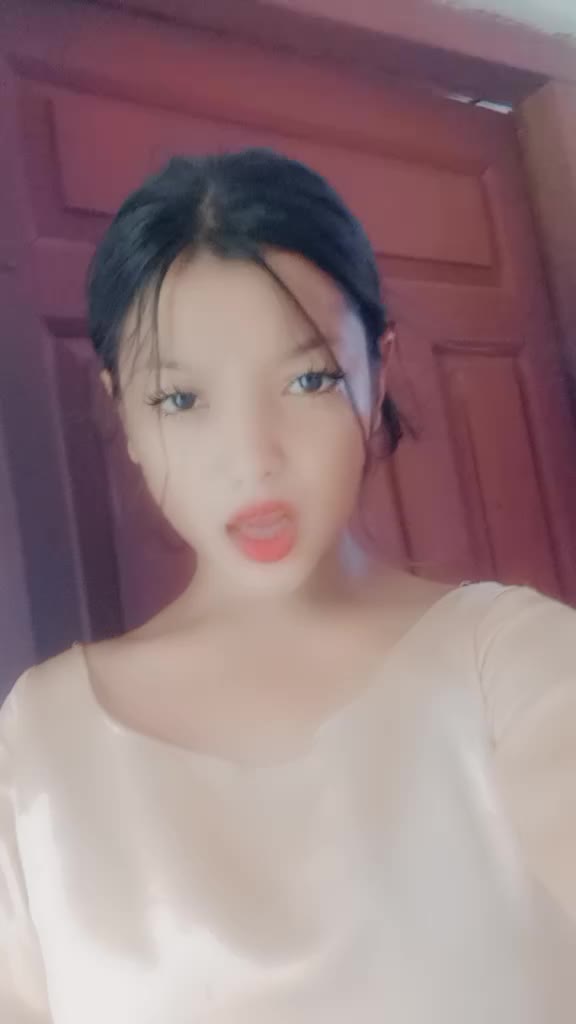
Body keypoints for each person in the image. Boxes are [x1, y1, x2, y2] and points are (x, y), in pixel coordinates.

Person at [1, 149, 575, 1023]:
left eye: (309, 379)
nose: (253, 459)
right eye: (182, 400)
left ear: (378, 374)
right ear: (124, 413)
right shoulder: (38, 745)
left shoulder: (516, 668)